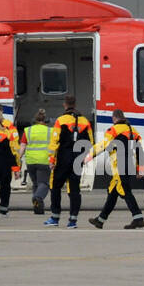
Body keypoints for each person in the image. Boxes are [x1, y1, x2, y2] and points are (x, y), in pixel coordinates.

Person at [85, 110, 144, 229]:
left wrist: (89, 156)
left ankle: (138, 218)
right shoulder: (133, 131)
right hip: (129, 164)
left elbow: (103, 145)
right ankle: (100, 220)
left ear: (114, 118)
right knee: (113, 193)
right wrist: (140, 169)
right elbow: (140, 150)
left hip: (119, 166)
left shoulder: (113, 130)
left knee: (125, 192)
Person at [45, 96, 93, 228]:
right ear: (75, 104)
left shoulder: (61, 120)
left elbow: (54, 142)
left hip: (62, 159)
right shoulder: (85, 121)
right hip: (77, 160)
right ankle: (73, 220)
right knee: (74, 190)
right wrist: (85, 157)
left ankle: (55, 217)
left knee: (55, 187)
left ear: (65, 105)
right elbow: (90, 142)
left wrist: (51, 160)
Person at [0, 105, 21, 216]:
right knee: (5, 185)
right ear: (2, 111)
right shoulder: (9, 126)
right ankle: (4, 208)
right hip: (5, 160)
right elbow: (15, 146)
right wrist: (16, 165)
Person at [23, 109, 52, 214]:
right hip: (44, 161)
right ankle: (37, 197)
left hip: (30, 161)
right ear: (46, 120)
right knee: (44, 183)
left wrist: (17, 160)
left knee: (36, 184)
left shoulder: (28, 130)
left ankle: (38, 208)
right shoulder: (50, 131)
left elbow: (22, 146)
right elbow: (55, 146)